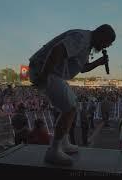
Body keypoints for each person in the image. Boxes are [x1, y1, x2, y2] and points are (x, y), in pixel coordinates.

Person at [29, 24, 116, 165]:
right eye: (107, 43)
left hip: (53, 73)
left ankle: (63, 143)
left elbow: (83, 69)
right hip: (44, 70)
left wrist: (99, 62)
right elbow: (57, 50)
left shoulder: (87, 45)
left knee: (73, 106)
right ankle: (54, 151)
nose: (105, 47)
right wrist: (44, 76)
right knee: (69, 108)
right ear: (102, 36)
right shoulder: (81, 38)